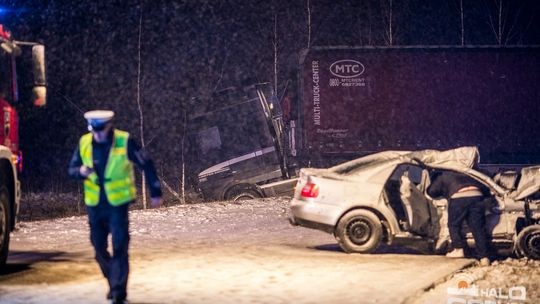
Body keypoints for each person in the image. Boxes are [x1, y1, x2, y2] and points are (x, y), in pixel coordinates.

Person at [68, 110, 162, 304]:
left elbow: (147, 164)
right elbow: (72, 168)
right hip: (95, 206)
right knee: (98, 248)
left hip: (118, 206)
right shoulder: (84, 142)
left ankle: (119, 293)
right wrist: (81, 171)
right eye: (95, 130)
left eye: (101, 129)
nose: (98, 134)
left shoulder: (124, 141)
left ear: (110, 125)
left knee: (120, 247)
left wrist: (155, 191)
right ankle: (113, 280)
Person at [427, 170, 491, 266]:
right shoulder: (468, 172)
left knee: (454, 225)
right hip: (477, 196)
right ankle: (484, 257)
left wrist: (442, 189)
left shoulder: (444, 174)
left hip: (459, 197)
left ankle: (458, 249)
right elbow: (486, 189)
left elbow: (431, 191)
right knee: (478, 228)